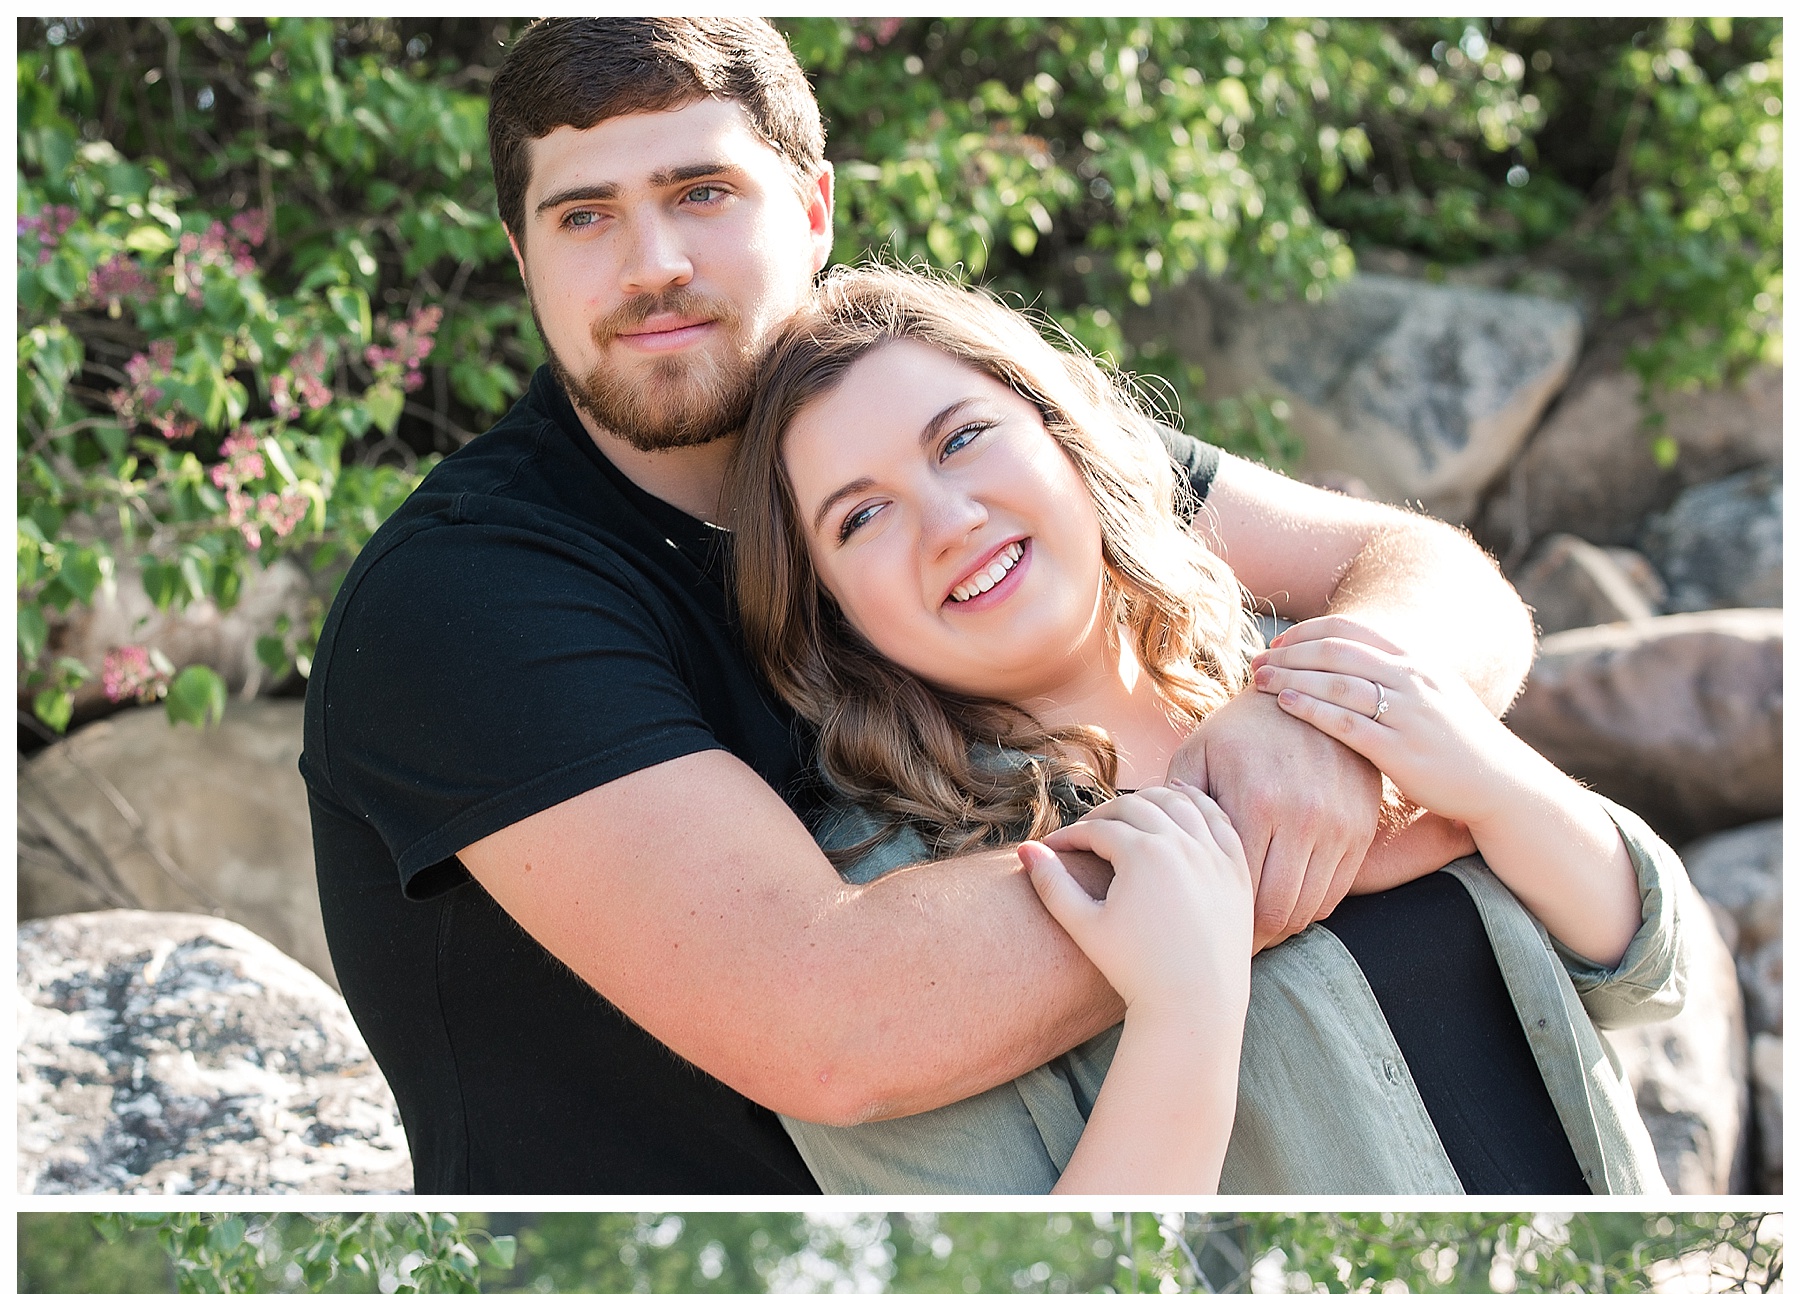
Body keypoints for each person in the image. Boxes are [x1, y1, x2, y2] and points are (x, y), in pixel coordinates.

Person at [303, 15, 1543, 1194]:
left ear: (814, 207)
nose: (655, 265)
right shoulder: (470, 598)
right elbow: (835, 1019)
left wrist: (1319, 727)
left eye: (701, 192)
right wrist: (1288, 825)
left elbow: (1409, 564)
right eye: (584, 217)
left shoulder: (921, 426)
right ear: (524, 260)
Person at [723, 267, 1694, 1195]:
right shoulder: (893, 899)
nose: (948, 519)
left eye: (962, 439)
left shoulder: (1299, 665)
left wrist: (1488, 781)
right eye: (862, 517)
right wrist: (1184, 1009)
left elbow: (1649, 966)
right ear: (828, 608)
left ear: (1065, 437)